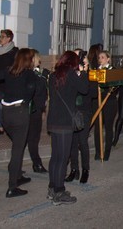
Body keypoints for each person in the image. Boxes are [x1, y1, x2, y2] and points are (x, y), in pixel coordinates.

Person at [0, 48, 42, 198]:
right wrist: (26, 99)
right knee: (17, 149)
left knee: (18, 144)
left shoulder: (8, 70)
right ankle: (12, 186)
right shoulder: (29, 73)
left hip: (6, 113)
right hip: (20, 113)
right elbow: (31, 87)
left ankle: (17, 175)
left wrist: (1, 95)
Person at [46, 51, 89, 205]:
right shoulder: (71, 75)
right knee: (63, 158)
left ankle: (52, 188)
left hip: (53, 120)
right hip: (64, 122)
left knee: (55, 157)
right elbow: (84, 89)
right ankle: (59, 191)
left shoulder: (54, 75)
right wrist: (83, 72)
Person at [67, 49, 92, 184]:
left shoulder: (89, 74)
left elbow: (90, 92)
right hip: (72, 111)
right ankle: (74, 169)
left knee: (82, 142)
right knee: (72, 142)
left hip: (84, 112)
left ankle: (85, 170)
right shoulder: (71, 74)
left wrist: (84, 73)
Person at [0, 29, 19, 137]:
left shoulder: (14, 51)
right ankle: (1, 127)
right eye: (0, 36)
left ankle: (11, 126)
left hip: (9, 83)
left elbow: (15, 67)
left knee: (10, 106)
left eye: (2, 36)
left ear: (9, 38)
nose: (0, 39)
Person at [27, 50, 49, 174]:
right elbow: (38, 89)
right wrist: (44, 77)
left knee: (32, 138)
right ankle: (37, 164)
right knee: (32, 138)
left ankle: (35, 163)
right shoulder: (29, 74)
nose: (39, 60)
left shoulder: (34, 73)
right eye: (37, 58)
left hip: (36, 109)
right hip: (31, 110)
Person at [94, 50, 116, 161]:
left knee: (108, 127)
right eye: (99, 57)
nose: (100, 59)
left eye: (103, 57)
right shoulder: (96, 71)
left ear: (108, 59)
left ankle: (107, 151)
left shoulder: (112, 71)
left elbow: (115, 86)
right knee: (97, 127)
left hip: (109, 102)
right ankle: (98, 151)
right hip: (98, 102)